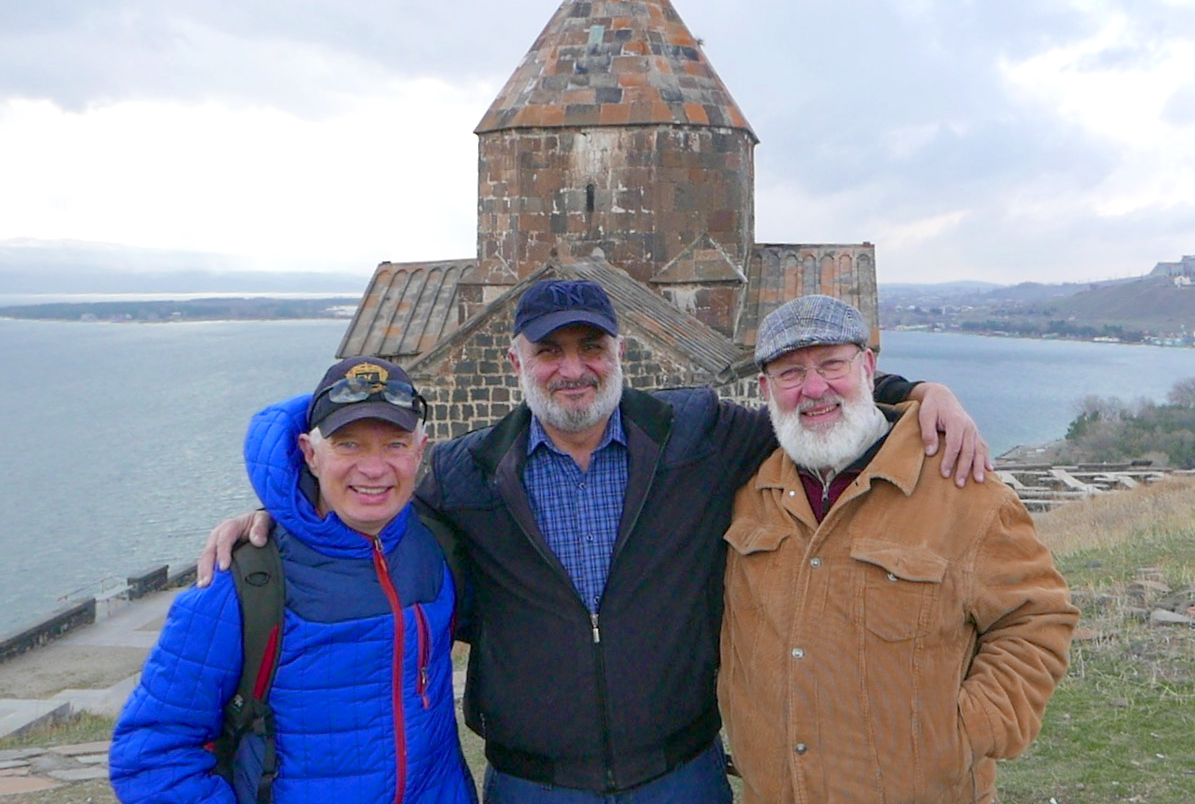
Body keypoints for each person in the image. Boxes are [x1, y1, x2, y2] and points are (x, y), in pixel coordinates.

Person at [199, 279, 989, 803]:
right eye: (548, 350)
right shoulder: (464, 473)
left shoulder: (698, 435)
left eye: (590, 348)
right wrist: (272, 512)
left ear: (621, 353)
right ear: (516, 361)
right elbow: (365, 492)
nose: (570, 369)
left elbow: (814, 401)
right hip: (532, 784)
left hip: (680, 773)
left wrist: (918, 395)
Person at [718, 295, 1078, 804]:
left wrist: (965, 732)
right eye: (791, 372)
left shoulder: (961, 487)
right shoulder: (747, 493)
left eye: (831, 364)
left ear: (868, 366)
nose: (814, 388)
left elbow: (1036, 619)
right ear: (765, 389)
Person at [110, 357, 477, 804]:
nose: (374, 468)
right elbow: (151, 756)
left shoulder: (437, 547)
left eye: (395, 444)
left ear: (420, 451)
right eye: (349, 445)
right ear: (310, 453)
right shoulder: (242, 582)